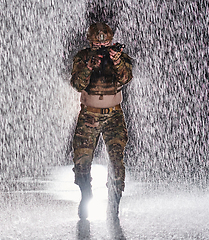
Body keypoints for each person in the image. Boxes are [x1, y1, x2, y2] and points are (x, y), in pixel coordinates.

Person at [70, 22, 133, 222]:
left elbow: (126, 78)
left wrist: (117, 61)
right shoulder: (82, 57)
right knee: (81, 162)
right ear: (91, 42)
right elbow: (77, 84)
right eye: (98, 44)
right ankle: (85, 194)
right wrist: (89, 66)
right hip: (89, 115)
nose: (102, 47)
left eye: (106, 43)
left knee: (116, 160)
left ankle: (114, 201)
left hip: (113, 116)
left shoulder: (120, 58)